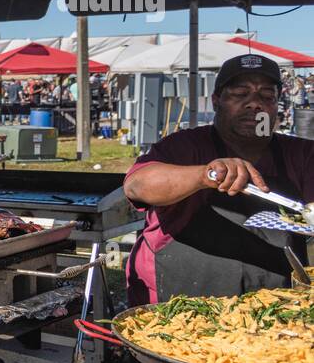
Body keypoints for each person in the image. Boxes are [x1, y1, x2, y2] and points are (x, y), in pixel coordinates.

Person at [123, 53, 314, 306]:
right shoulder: (185, 147)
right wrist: (206, 175)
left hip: (275, 306)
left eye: (266, 96)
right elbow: (137, 185)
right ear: (216, 101)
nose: (254, 104)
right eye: (240, 94)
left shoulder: (301, 154)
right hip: (178, 304)